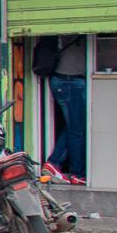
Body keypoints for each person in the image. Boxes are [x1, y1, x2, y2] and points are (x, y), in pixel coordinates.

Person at [41, 37, 87, 181]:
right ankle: (76, 173)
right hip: (71, 82)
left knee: (74, 127)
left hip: (63, 81)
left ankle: (54, 163)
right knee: (76, 131)